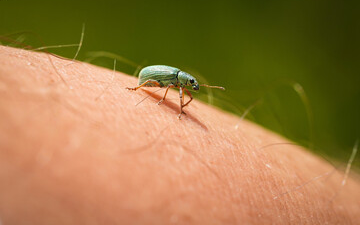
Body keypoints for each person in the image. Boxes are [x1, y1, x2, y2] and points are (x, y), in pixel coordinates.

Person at [0, 45, 359, 224]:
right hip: (148, 76)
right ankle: (137, 91)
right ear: (184, 80)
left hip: (156, 75)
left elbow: (182, 93)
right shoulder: (172, 79)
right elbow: (163, 85)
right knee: (153, 86)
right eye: (191, 86)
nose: (190, 88)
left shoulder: (184, 83)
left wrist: (186, 106)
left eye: (191, 86)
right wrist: (145, 91)